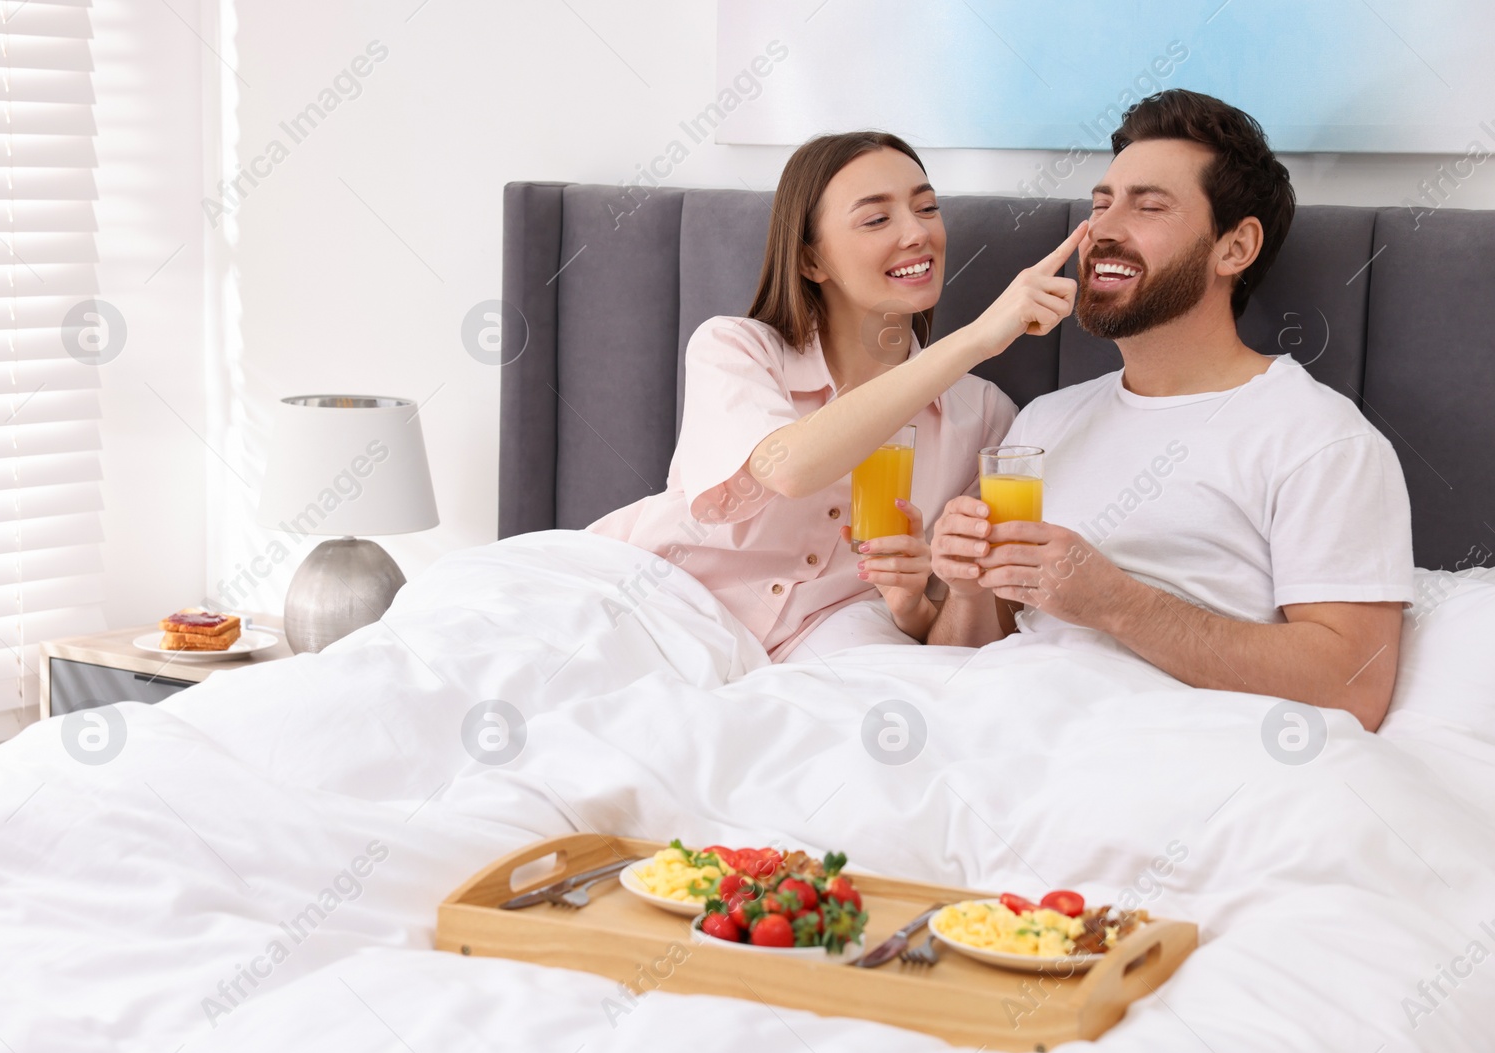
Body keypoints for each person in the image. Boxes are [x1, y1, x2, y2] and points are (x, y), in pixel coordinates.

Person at [927, 90, 1414, 731]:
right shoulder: (1043, 421)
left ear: (1234, 248)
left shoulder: (1322, 440)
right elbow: (959, 662)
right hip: (1002, 731)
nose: (1102, 228)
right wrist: (966, 590)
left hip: (1173, 749)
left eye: (1149, 206)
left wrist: (1118, 604)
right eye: (1100, 204)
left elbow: (1355, 687)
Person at [587, 131, 1085, 662]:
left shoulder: (983, 418)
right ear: (811, 262)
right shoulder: (736, 349)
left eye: (927, 207)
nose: (917, 232)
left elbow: (953, 628)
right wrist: (978, 338)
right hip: (654, 602)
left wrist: (911, 601)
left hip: (824, 644)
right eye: (876, 219)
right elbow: (791, 467)